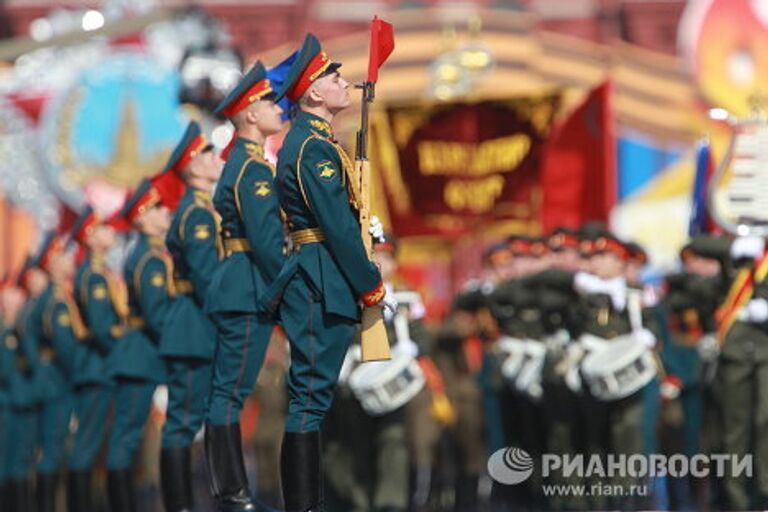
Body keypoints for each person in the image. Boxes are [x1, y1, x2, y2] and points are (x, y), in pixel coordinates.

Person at [270, 33, 392, 511]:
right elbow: (336, 228)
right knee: (309, 400)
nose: (345, 83)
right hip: (320, 281)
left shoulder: (318, 142)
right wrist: (370, 282)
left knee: (313, 399)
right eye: (334, 77)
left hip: (322, 275)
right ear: (315, 93)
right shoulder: (312, 148)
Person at [203, 61, 286, 512]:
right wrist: (290, 282)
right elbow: (268, 242)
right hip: (247, 287)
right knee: (230, 392)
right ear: (251, 114)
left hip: (242, 284)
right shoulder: (252, 170)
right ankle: (232, 494)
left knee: (227, 392)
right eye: (270, 101)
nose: (279, 107)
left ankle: (232, 492)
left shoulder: (246, 162)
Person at [159, 122, 224, 512]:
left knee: (193, 419)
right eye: (209, 154)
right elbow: (206, 278)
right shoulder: (196, 215)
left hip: (196, 324)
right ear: (194, 167)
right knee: (182, 421)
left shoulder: (202, 209)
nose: (216, 160)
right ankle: (179, 504)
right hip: (192, 326)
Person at [105, 178, 176, 512]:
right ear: (143, 218)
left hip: (139, 354)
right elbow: (156, 313)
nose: (166, 213)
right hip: (139, 355)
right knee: (125, 438)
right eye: (158, 208)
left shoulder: (147, 253)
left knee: (128, 437)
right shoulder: (149, 258)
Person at [68, 206, 121, 512]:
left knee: (91, 444)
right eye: (102, 228)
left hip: (99, 367)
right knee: (86, 445)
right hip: (98, 367)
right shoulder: (93, 276)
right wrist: (123, 348)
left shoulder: (97, 272)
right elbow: (102, 328)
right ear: (89, 237)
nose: (109, 232)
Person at [34, 233, 81, 512]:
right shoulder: (56, 301)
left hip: (51, 382)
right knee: (53, 453)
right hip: (58, 384)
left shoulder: (54, 298)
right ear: (51, 262)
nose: (69, 261)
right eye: (63, 256)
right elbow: (68, 351)